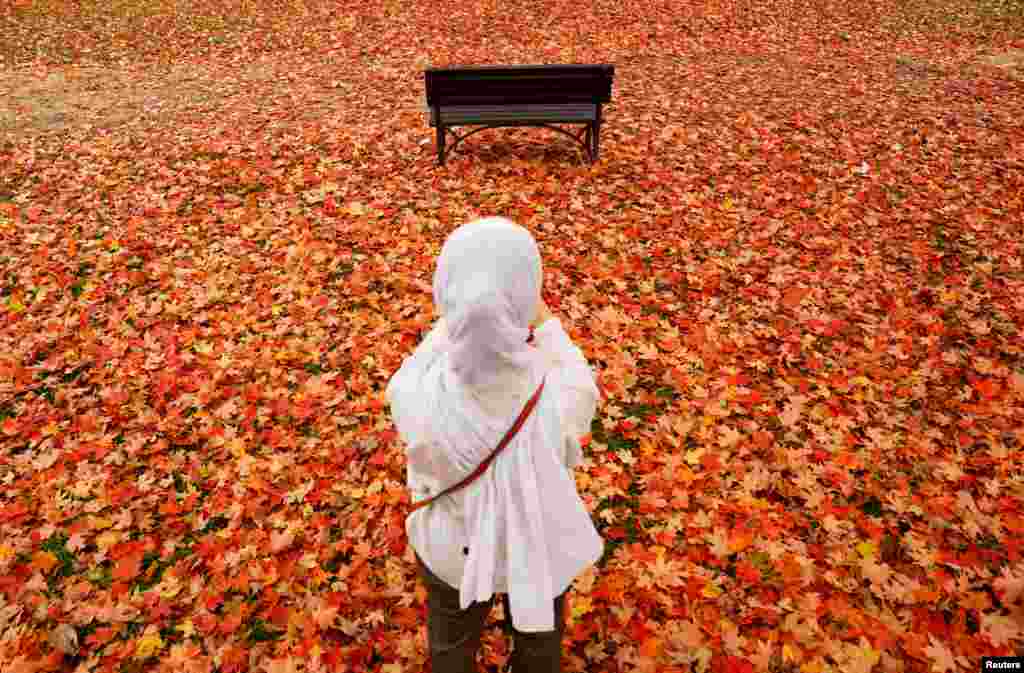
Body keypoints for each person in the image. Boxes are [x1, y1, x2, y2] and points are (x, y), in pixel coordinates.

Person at [386, 216, 604, 673]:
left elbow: (408, 372)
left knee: (450, 642)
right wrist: (542, 322)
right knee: (540, 639)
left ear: (445, 293)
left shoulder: (418, 393)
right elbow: (583, 382)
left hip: (451, 549)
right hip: (538, 542)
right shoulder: (558, 390)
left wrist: (459, 318)